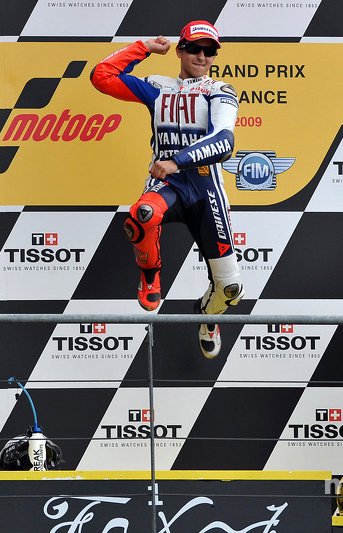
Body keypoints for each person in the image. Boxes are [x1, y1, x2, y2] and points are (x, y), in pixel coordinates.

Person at [90, 20, 244, 358]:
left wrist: (178, 160)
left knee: (231, 290)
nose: (202, 56)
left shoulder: (221, 90)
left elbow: (224, 141)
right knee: (142, 214)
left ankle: (207, 316)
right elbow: (101, 76)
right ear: (180, 50)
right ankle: (150, 276)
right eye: (194, 48)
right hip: (167, 185)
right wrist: (143, 48)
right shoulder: (158, 86)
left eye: (209, 51)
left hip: (205, 191)